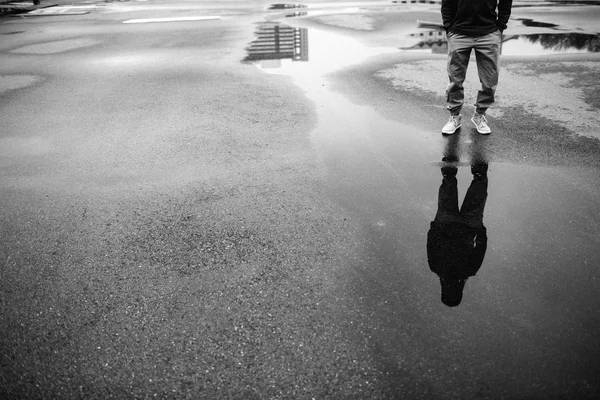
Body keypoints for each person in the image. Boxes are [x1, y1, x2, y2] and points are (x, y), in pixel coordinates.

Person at [427, 134, 489, 307]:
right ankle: (452, 160)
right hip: (446, 223)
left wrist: (481, 230)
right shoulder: (436, 268)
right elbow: (431, 243)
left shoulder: (469, 271)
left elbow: (481, 248)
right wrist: (434, 226)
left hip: (468, 226)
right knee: (448, 184)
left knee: (478, 187)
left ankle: (477, 160)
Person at [441, 0, 513, 135]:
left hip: (489, 33)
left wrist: (501, 25)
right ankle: (455, 117)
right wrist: (448, 27)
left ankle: (479, 115)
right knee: (455, 79)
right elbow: (446, 2)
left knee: (490, 81)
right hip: (458, 33)